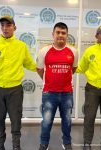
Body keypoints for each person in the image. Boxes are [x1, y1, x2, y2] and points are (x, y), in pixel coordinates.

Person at [0, 16, 36, 150]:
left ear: (14, 27)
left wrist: (46, 65)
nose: (5, 28)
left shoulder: (21, 46)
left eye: (8, 25)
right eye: (2, 25)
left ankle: (16, 146)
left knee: (16, 119)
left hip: (15, 90)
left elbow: (30, 64)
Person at [36, 22, 78, 150]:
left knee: (67, 121)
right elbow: (39, 70)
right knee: (47, 122)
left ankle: (66, 142)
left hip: (67, 93)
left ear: (67, 35)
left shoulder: (74, 51)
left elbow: (73, 69)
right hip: (49, 93)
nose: (60, 35)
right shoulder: (44, 51)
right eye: (58, 32)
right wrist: (49, 81)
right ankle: (44, 143)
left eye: (63, 33)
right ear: (53, 34)